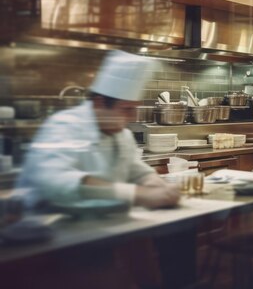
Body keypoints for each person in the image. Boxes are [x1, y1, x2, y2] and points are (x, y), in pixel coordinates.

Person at [18, 50, 180, 209]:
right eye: (127, 109)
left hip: (105, 222)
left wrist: (154, 182)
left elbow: (134, 169)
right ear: (99, 103)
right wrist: (135, 194)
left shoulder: (122, 135)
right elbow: (54, 179)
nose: (133, 117)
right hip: (49, 227)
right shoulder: (64, 125)